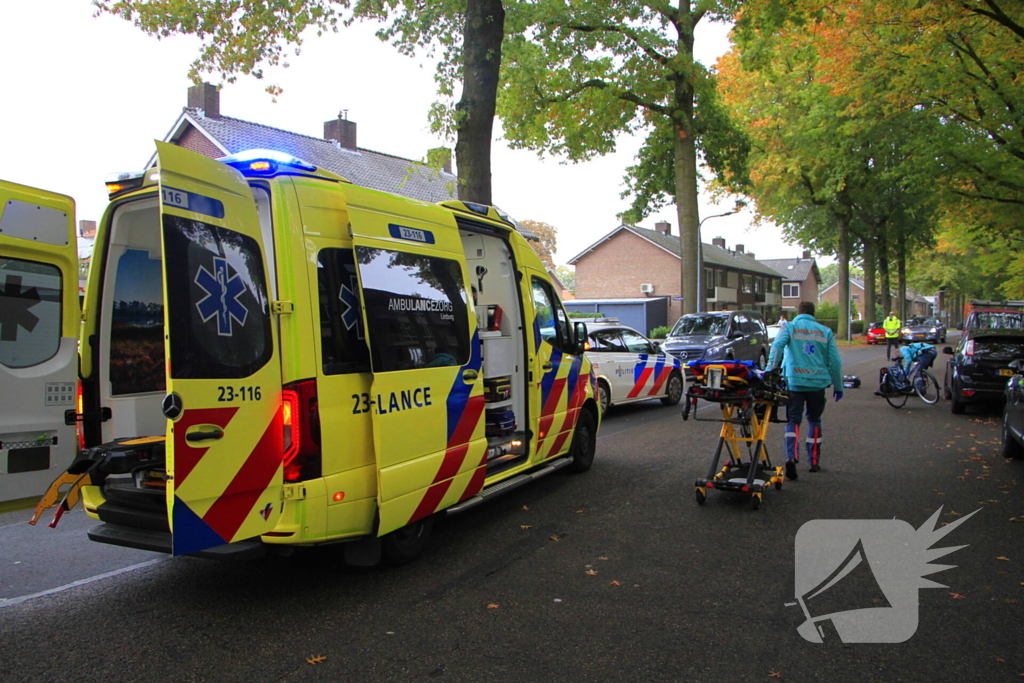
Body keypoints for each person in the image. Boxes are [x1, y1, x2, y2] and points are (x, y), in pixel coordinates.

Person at [766, 301, 844, 478]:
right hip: (817, 384)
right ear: (813, 313)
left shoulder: (790, 327)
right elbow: (835, 361)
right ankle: (814, 461)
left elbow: (776, 346)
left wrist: (770, 369)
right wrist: (838, 385)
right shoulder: (825, 332)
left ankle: (791, 457)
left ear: (798, 312)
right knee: (814, 419)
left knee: (793, 420)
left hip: (795, 382)